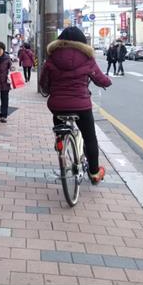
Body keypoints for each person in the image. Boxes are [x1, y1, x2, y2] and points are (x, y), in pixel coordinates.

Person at [38, 26, 112, 184]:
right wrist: (107, 82)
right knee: (90, 138)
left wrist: (49, 89)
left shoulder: (52, 57)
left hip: (57, 105)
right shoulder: (87, 58)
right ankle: (94, 173)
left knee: (59, 123)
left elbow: (43, 84)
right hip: (81, 105)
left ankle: (60, 142)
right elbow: (100, 79)